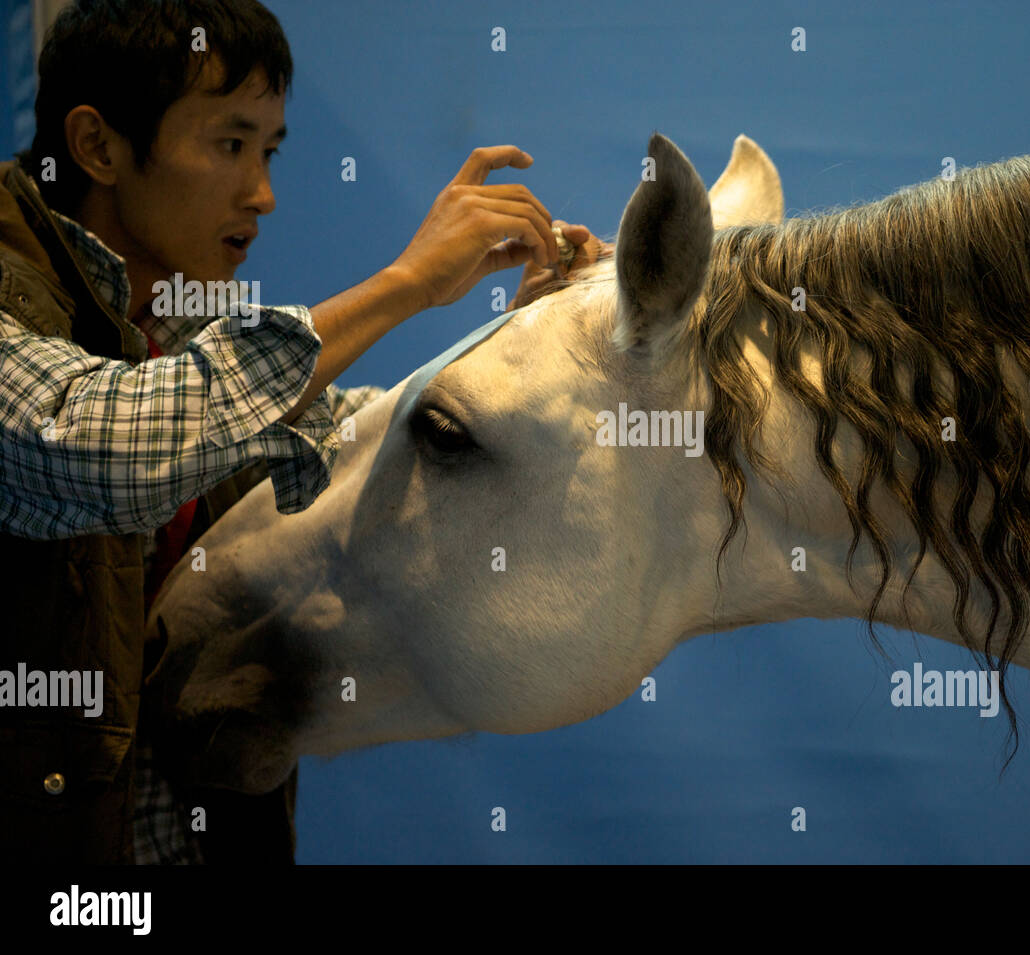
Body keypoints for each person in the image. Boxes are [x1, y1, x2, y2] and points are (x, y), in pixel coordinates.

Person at [0, 0, 598, 864]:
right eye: (229, 144)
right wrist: (404, 284)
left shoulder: (183, 324)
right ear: (98, 146)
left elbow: (348, 439)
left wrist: (524, 345)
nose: (265, 195)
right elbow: (100, 448)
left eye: (270, 151)